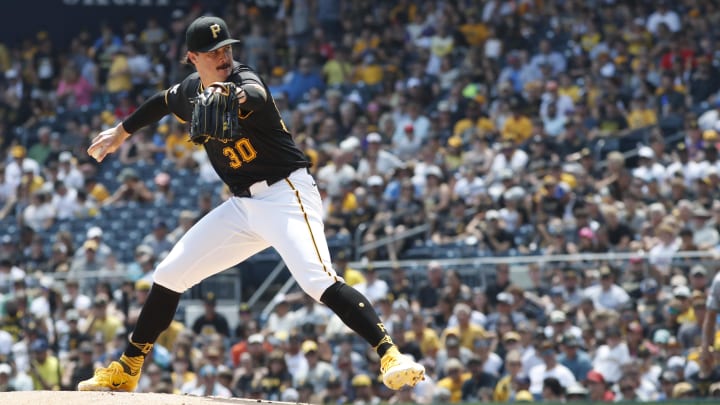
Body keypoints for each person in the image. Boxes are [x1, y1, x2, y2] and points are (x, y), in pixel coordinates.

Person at [78, 15, 424, 392]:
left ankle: (391, 354)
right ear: (193, 58)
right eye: (213, 52)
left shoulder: (243, 79)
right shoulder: (191, 91)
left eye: (226, 48)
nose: (223, 55)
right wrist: (121, 132)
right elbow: (161, 102)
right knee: (169, 273)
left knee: (316, 281)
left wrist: (232, 94)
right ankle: (128, 367)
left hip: (286, 195)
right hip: (243, 207)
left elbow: (256, 94)